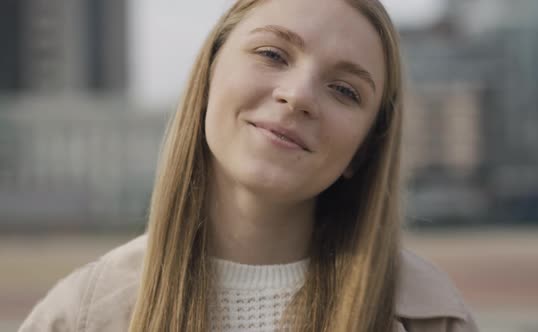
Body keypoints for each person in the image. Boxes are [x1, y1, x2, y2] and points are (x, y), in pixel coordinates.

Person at [19, 0, 479, 331]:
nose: (297, 96)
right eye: (273, 54)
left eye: (345, 90)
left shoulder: (434, 320)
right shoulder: (77, 316)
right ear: (210, 73)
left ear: (362, 152)